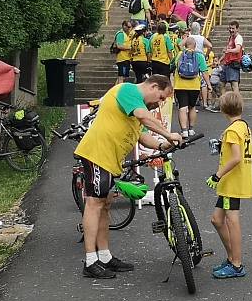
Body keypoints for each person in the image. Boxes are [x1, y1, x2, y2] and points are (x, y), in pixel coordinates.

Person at [74, 76, 182, 278]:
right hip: (97, 154)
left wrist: (160, 145)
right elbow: (143, 117)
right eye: (160, 97)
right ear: (153, 86)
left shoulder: (136, 106)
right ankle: (90, 261)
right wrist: (169, 134)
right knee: (94, 204)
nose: (159, 103)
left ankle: (105, 256)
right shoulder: (128, 91)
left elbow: (141, 136)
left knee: (105, 204)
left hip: (109, 159)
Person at [207, 91, 252, 279]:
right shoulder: (243, 126)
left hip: (231, 182)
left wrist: (217, 175)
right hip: (233, 181)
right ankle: (232, 257)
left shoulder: (232, 131)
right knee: (216, 220)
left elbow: (236, 157)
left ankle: (236, 264)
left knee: (231, 221)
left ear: (223, 110)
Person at [173, 36, 211, 136]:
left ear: (185, 45)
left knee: (182, 107)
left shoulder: (180, 54)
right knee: (192, 107)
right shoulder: (199, 56)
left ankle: (184, 130)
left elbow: (173, 66)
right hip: (194, 85)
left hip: (180, 85)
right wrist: (208, 84)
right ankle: (191, 129)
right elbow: (204, 71)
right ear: (195, 46)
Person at [220, 21, 244, 94]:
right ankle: (223, 103)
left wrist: (228, 50)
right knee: (221, 84)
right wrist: (220, 60)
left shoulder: (238, 38)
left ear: (237, 29)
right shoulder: (230, 37)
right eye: (230, 28)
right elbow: (227, 51)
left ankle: (237, 104)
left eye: (233, 28)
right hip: (227, 63)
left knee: (234, 85)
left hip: (234, 64)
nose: (231, 30)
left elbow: (237, 49)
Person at [112, 20, 133, 84]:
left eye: (130, 27)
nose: (130, 29)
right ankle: (117, 91)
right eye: (128, 27)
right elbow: (119, 46)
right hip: (122, 58)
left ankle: (116, 90)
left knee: (123, 76)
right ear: (124, 26)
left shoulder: (126, 34)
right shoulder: (121, 34)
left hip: (126, 58)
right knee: (121, 77)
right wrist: (130, 48)